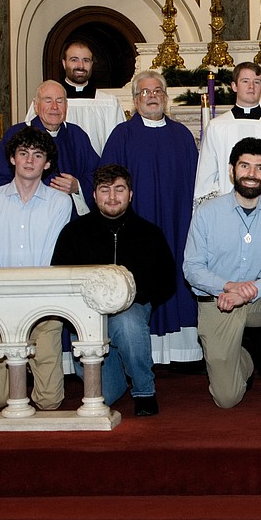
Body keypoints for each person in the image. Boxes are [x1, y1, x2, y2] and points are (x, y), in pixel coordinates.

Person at [184, 138, 261, 421]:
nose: (251, 173)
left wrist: (247, 291)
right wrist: (228, 287)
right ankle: (244, 358)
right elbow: (192, 268)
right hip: (218, 300)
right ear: (232, 170)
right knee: (226, 398)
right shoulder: (206, 214)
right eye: (245, 165)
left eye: (260, 168)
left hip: (260, 299)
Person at [51, 164, 174, 415]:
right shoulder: (74, 232)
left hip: (132, 309)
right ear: (94, 195)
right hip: (88, 317)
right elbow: (60, 277)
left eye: (119, 189)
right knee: (105, 394)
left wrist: (129, 298)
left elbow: (166, 280)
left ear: (130, 194)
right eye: (105, 190)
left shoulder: (150, 233)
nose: (112, 197)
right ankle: (118, 364)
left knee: (126, 324)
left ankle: (144, 390)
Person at [101, 70, 202, 366]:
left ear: (166, 98)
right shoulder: (123, 134)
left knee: (176, 273)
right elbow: (107, 183)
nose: (152, 96)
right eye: (145, 92)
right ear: (135, 100)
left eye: (158, 91)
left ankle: (183, 351)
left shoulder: (181, 135)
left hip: (176, 222)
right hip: (137, 224)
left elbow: (196, 182)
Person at [0, 126, 72, 410]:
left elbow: (51, 259)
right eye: (23, 153)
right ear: (12, 158)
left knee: (50, 402)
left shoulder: (59, 202)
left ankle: (37, 371)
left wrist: (34, 305)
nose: (30, 160)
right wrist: (4, 305)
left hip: (43, 305)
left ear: (48, 163)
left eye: (38, 155)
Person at [0, 80, 99, 217]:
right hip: (27, 215)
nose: (54, 107)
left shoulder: (77, 135)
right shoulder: (17, 134)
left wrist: (78, 186)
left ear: (66, 106)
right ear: (36, 106)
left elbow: (97, 173)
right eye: (48, 101)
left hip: (71, 220)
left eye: (60, 101)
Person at [195, 62, 261, 208]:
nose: (251, 87)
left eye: (257, 82)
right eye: (245, 81)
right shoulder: (217, 126)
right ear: (234, 86)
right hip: (227, 209)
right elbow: (206, 177)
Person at [27, 39, 126, 155]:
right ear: (64, 63)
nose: (81, 66)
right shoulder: (44, 101)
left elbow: (120, 145)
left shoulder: (109, 103)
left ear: (92, 64)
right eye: (74, 60)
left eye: (86, 60)